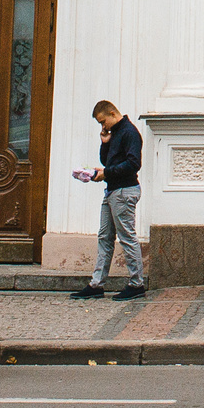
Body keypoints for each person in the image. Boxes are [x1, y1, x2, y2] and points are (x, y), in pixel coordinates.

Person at [71, 101, 146, 301]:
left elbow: (133, 164)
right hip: (113, 190)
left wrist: (106, 174)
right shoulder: (115, 133)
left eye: (103, 122)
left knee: (127, 237)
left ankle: (137, 283)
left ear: (112, 113)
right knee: (104, 237)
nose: (103, 127)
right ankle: (96, 284)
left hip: (124, 190)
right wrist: (105, 144)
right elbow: (108, 162)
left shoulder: (129, 132)